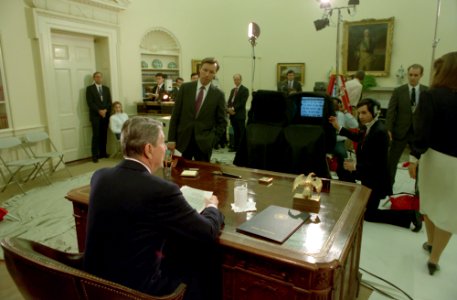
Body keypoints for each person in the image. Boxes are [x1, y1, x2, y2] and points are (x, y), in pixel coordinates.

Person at [83, 116, 225, 299]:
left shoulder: (99, 176)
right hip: (137, 291)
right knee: (204, 264)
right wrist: (212, 207)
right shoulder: (161, 190)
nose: (165, 147)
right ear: (149, 150)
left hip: (93, 284)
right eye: (162, 142)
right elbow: (208, 231)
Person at [329, 98, 421, 230]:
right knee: (342, 171)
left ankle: (409, 215)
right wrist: (338, 127)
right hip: (368, 176)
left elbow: (376, 165)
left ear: (374, 112)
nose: (361, 116)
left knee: (369, 215)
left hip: (376, 181)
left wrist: (354, 166)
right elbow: (358, 137)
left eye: (364, 113)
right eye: (359, 113)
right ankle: (356, 200)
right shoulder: (370, 127)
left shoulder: (380, 132)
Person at [408, 52, 457, 275]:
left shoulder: (432, 95)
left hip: (435, 159)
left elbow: (423, 131)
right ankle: (435, 257)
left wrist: (413, 158)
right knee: (448, 211)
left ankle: (430, 242)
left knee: (428, 203)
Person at [168, 57, 227, 162]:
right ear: (200, 70)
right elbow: (175, 114)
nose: (207, 74)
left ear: (215, 74)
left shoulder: (219, 95)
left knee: (203, 175)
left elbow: (222, 122)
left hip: (204, 143)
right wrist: (171, 139)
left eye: (211, 72)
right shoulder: (185, 88)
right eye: (205, 70)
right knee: (179, 173)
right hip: (182, 140)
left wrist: (212, 141)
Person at [386, 64, 428, 187]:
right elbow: (391, 111)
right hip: (400, 131)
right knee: (391, 161)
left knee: (420, 162)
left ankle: (418, 191)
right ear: (407, 75)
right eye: (410, 75)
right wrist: (388, 128)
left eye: (416, 75)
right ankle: (388, 187)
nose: (413, 78)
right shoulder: (399, 91)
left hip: (418, 133)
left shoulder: (427, 91)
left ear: (421, 75)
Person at [86, 71, 112, 163]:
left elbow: (109, 102)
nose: (99, 78)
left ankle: (103, 153)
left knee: (104, 135)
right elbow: (90, 103)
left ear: (102, 78)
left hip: (105, 115)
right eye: (97, 77)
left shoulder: (106, 89)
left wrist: (105, 110)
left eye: (100, 77)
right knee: (96, 135)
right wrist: (99, 111)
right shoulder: (89, 89)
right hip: (95, 116)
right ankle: (95, 156)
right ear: (94, 78)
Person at [331, 97, 358, 182]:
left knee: (342, 154)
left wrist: (345, 112)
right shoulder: (324, 114)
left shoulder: (342, 115)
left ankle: (344, 178)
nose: (333, 106)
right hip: (324, 141)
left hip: (338, 141)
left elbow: (355, 125)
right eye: (332, 104)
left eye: (336, 104)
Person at [227, 74, 249, 152]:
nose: (236, 81)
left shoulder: (245, 90)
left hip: (239, 115)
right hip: (232, 115)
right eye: (235, 79)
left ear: (241, 80)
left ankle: (242, 148)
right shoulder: (233, 90)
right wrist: (228, 109)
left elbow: (242, 102)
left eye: (238, 79)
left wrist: (232, 108)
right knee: (235, 132)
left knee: (241, 132)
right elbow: (229, 101)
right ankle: (235, 147)